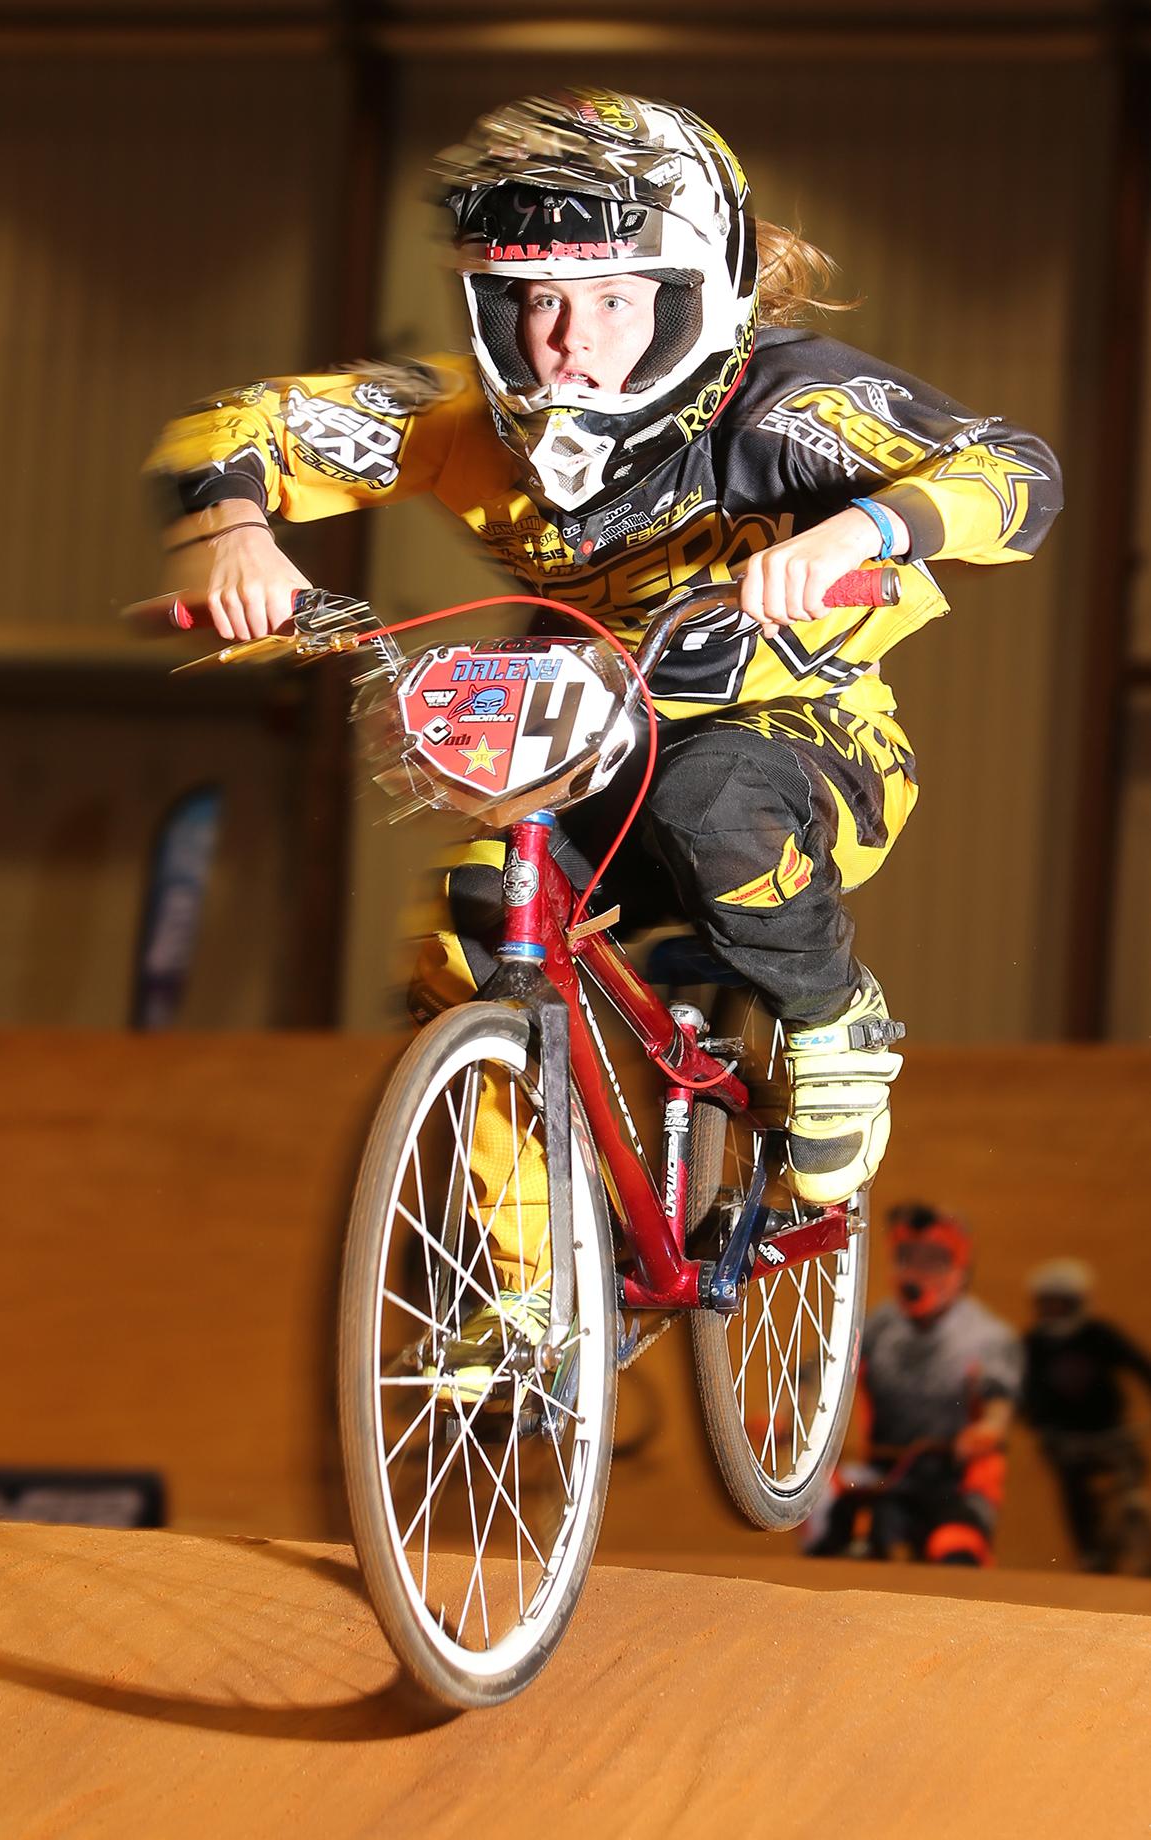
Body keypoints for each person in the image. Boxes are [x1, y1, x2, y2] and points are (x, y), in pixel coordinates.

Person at [145, 90, 1061, 1283]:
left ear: (692, 296)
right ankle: (525, 1292)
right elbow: (242, 423)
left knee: (710, 795)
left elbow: (1012, 469)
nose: (567, 342)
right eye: (536, 302)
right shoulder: (466, 419)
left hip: (808, 735)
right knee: (475, 923)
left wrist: (868, 530)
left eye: (614, 301)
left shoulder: (790, 404)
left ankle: (833, 1016)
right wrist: (232, 532)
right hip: (588, 733)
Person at [807, 1205, 1021, 1564]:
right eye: (907, 1258)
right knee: (833, 1522)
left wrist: (990, 1427)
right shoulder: (882, 1325)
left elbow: (998, 1395)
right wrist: (791, 1418)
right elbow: (824, 1366)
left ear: (961, 1270)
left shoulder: (986, 1337)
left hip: (956, 1482)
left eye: (933, 1261)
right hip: (887, 1475)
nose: (918, 1273)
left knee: (955, 1548)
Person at [1021, 1258, 1151, 1572]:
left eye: (1060, 1303)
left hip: (1112, 1433)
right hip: (1066, 1438)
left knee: (1132, 1478)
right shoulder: (1033, 1344)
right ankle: (1089, 1551)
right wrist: (1041, 1425)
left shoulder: (1099, 1335)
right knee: (1075, 1489)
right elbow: (1023, 1393)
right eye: (1047, 1303)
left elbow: (1141, 1366)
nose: (1053, 1310)